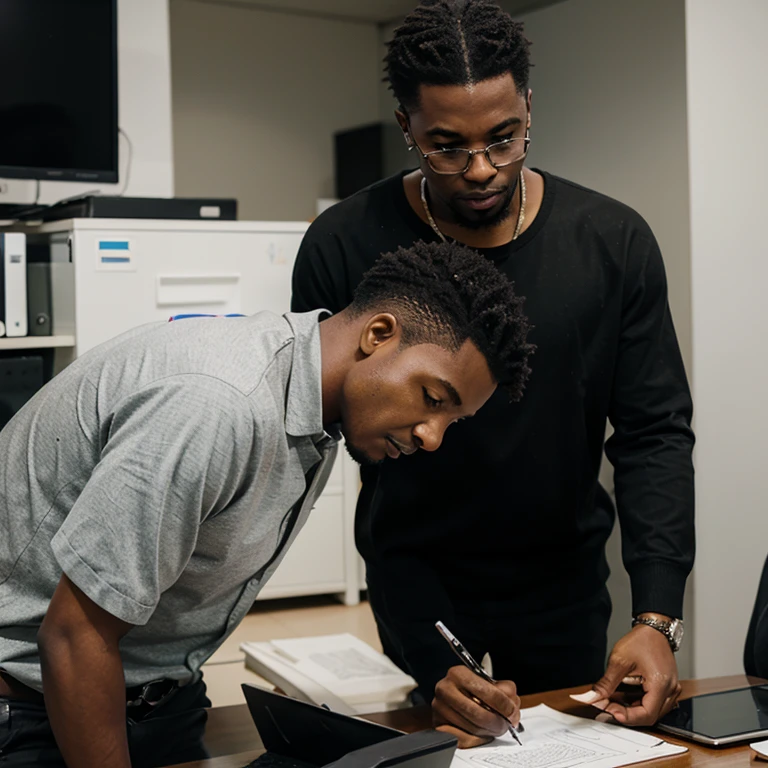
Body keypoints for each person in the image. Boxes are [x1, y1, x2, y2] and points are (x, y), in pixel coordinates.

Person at [291, 0, 694, 749]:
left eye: (504, 139)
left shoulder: (613, 241)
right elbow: (318, 421)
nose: (480, 169)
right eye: (445, 145)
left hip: (564, 584)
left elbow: (654, 435)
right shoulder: (342, 243)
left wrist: (656, 616)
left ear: (530, 107)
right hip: (419, 581)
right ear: (406, 124)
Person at [0, 240, 533, 768]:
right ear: (379, 334)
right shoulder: (218, 403)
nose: (433, 437)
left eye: (453, 421)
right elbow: (73, 636)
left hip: (156, 698)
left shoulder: (317, 405)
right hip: (31, 708)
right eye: (433, 399)